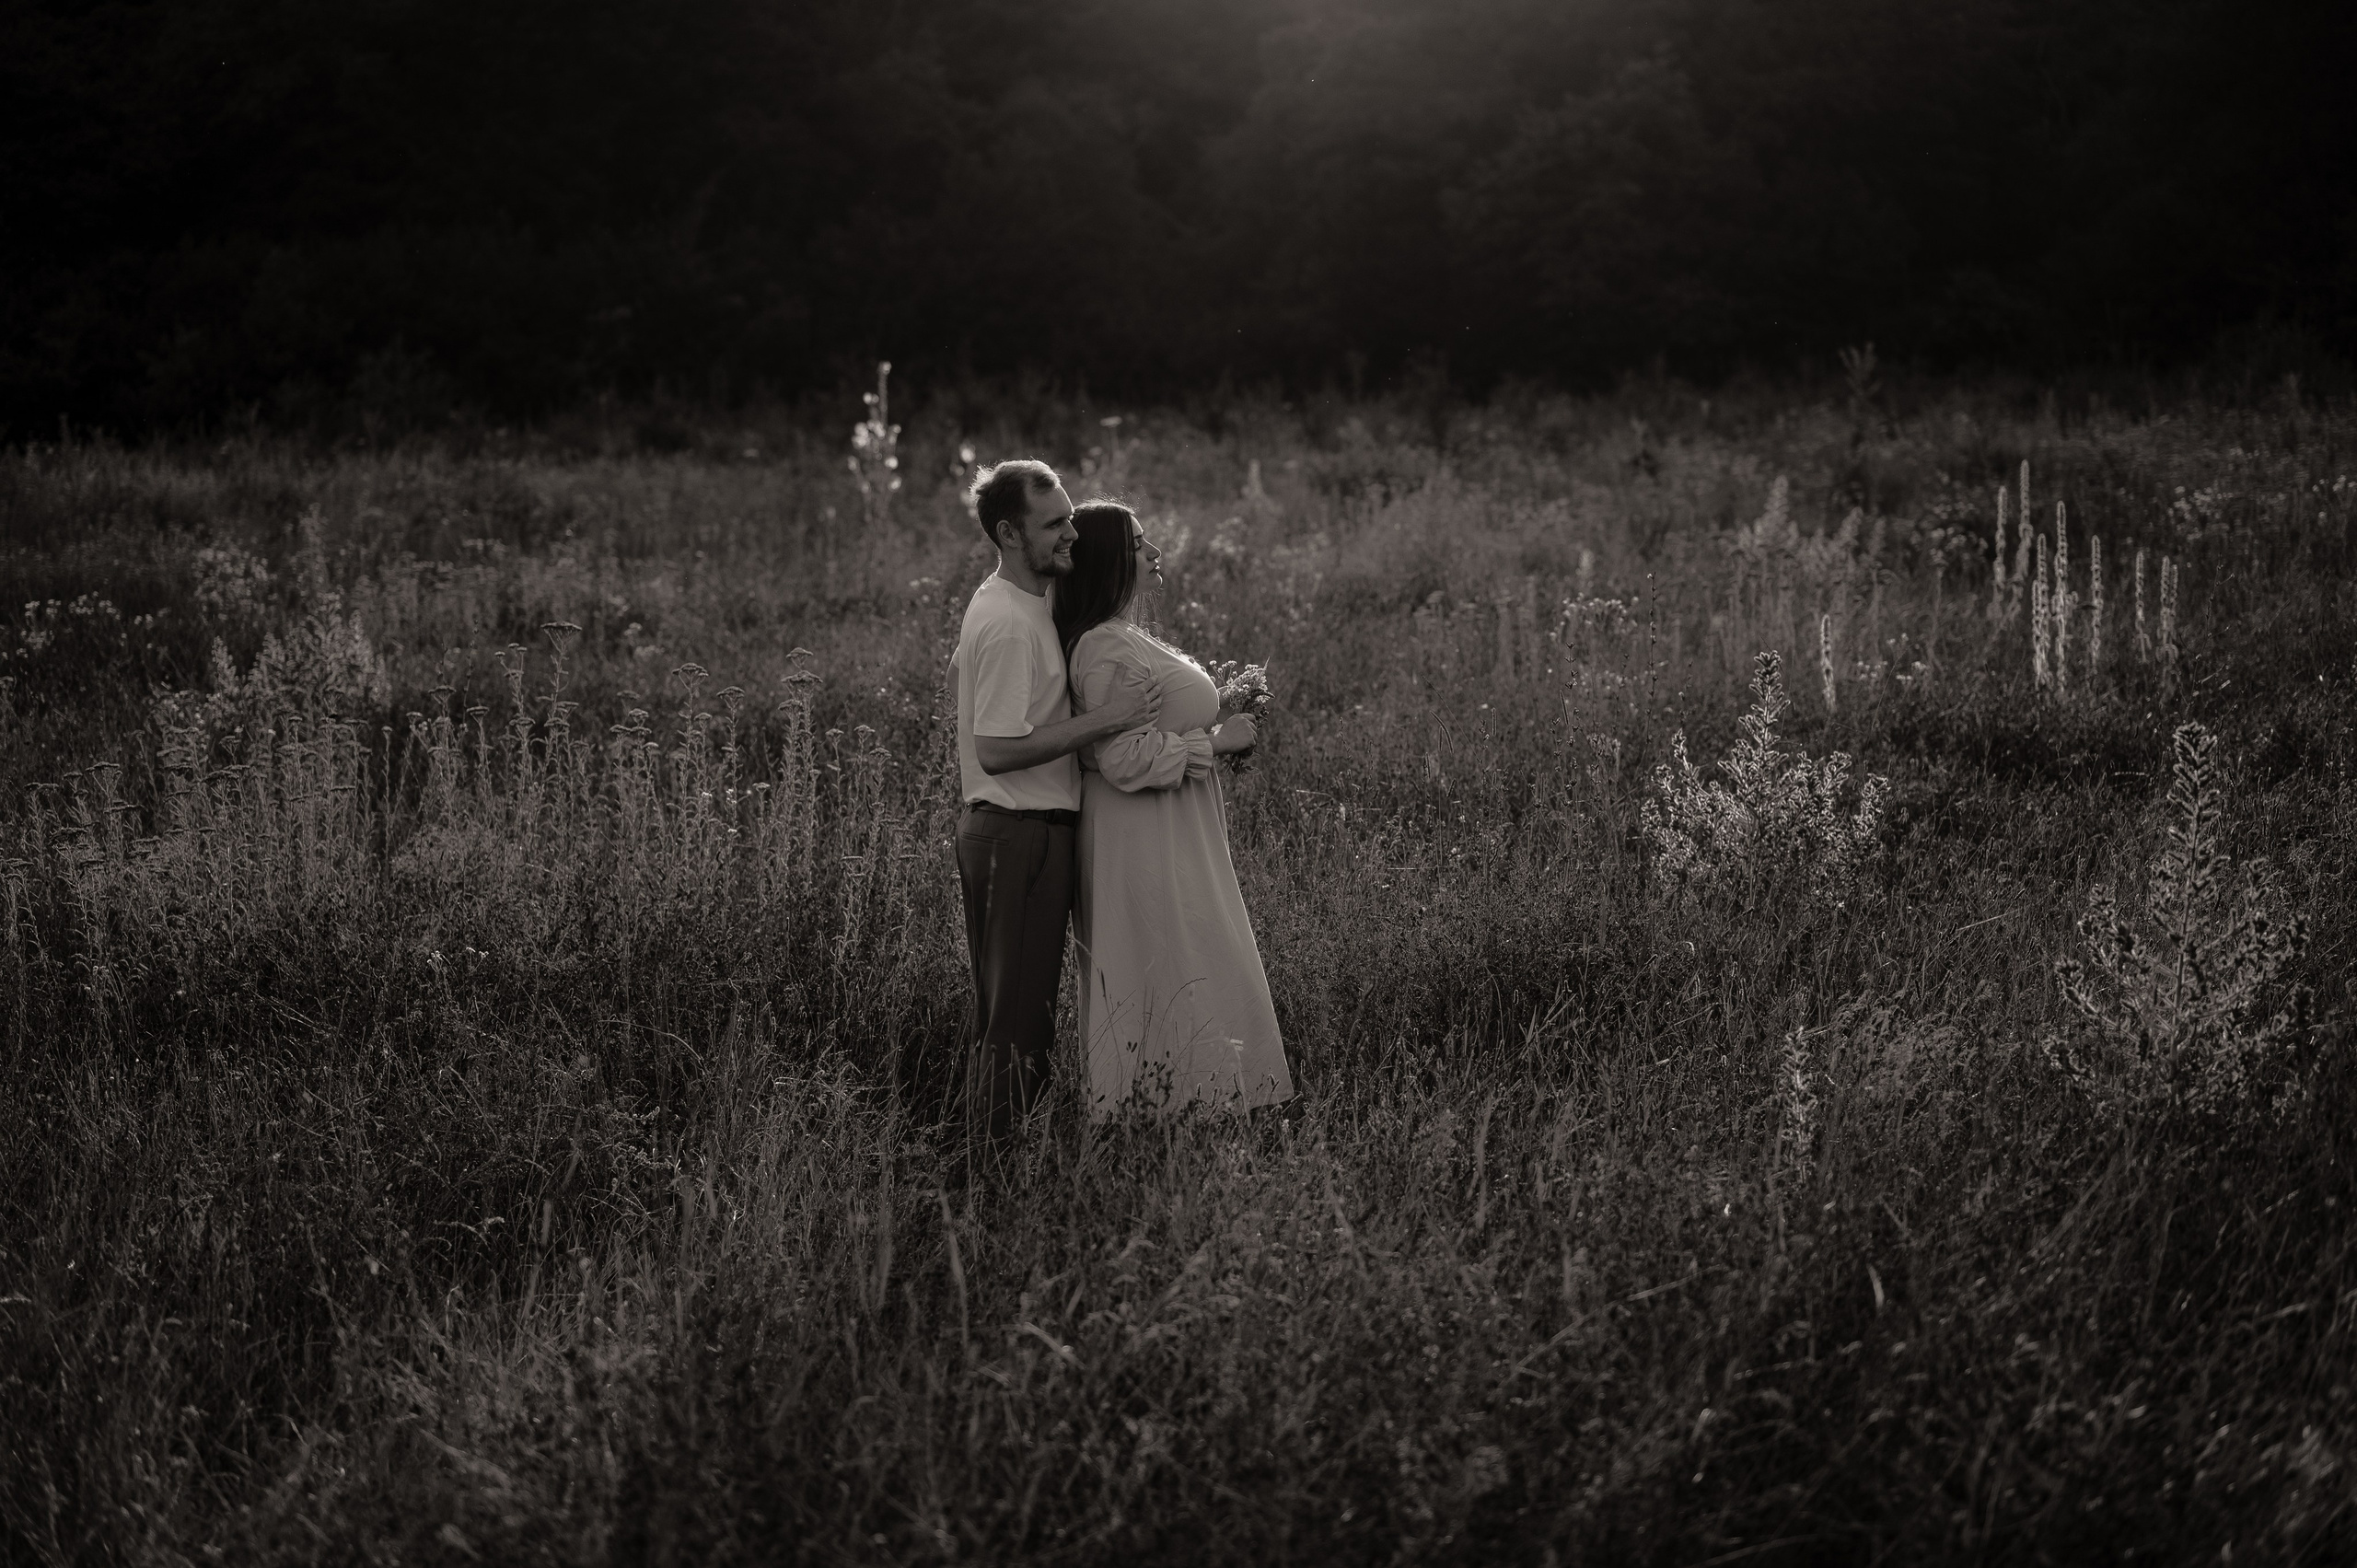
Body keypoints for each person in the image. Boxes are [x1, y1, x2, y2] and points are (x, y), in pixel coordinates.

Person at [952, 460, 1171, 1163]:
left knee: (1019, 1022)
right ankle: (991, 1180)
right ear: (1010, 533)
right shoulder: (1012, 622)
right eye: (1054, 524)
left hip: (1028, 835)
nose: (1072, 532)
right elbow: (996, 748)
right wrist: (1107, 720)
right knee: (1014, 1028)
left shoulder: (1022, 600)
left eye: (1071, 516)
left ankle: (1000, 1168)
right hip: (1017, 836)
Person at [1053, 500, 1296, 1120]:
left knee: (1191, 953)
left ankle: (1203, 1098)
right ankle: (1159, 1108)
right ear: (1112, 560)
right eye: (1140, 544)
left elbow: (1149, 721)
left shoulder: (1123, 633)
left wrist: (1220, 708)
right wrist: (1215, 741)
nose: (1156, 553)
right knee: (1161, 959)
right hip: (1140, 833)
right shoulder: (1102, 646)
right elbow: (1121, 758)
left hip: (1172, 825)